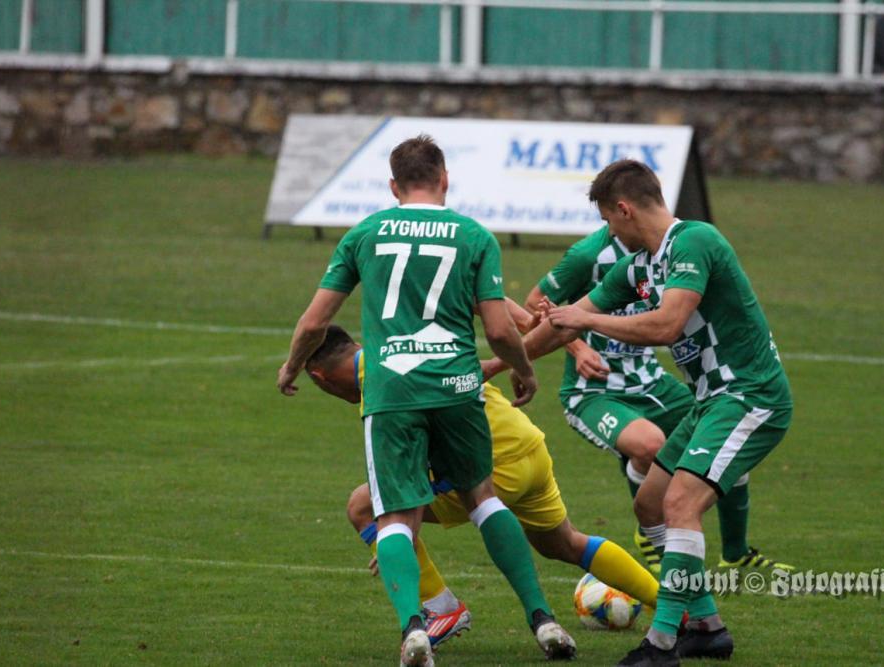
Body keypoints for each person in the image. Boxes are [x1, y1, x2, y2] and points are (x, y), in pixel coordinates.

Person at [276, 135, 575, 666]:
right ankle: (542, 619)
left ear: (393, 186)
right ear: (444, 180)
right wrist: (525, 371)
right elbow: (500, 330)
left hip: (392, 390)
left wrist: (292, 364)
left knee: (394, 516)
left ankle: (415, 628)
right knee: (483, 499)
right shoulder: (474, 236)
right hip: (456, 387)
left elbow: (315, 322)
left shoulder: (364, 234)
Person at [518, 160, 794, 666]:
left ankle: (662, 644)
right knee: (650, 503)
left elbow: (666, 325)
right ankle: (706, 626)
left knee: (680, 504)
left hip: (750, 395)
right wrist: (501, 364)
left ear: (624, 210)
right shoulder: (640, 265)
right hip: (711, 400)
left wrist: (587, 320)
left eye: (608, 220)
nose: (609, 231)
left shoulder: (695, 241)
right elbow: (565, 323)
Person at [303, 324, 661, 649]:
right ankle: (671, 606)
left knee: (364, 505)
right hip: (529, 447)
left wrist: (396, 536)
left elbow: (413, 462)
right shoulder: (412, 343)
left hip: (489, 466)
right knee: (565, 542)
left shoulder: (377, 379)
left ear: (320, 378)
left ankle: (441, 608)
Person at [516, 229, 793, 576]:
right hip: (595, 391)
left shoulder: (666, 253)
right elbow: (536, 302)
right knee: (649, 445)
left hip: (652, 382)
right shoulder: (588, 255)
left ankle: (735, 553)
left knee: (728, 436)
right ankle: (654, 536)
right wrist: (579, 348)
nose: (609, 224)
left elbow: (667, 322)